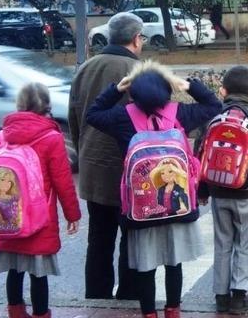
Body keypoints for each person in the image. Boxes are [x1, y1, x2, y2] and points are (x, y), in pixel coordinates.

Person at [86, 60, 221, 318]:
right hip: (177, 206)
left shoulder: (121, 117)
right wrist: (189, 85)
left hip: (141, 208)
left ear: (133, 91)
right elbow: (214, 106)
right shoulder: (180, 113)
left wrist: (116, 89)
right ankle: (173, 310)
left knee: (145, 265)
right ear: (166, 89)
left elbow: (93, 114)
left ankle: (149, 313)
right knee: (173, 262)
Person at [0, 83, 81, 318]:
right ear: (46, 106)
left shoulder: (3, 135)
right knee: (39, 274)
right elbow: (63, 181)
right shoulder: (51, 137)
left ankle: (15, 312)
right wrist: (73, 215)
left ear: (20, 105)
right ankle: (41, 314)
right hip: (40, 219)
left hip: (8, 215)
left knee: (14, 270)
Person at [69, 12, 143, 300]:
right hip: (131, 171)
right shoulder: (139, 70)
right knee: (133, 239)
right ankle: (128, 296)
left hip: (93, 167)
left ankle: (97, 298)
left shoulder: (85, 68)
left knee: (98, 239)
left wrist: (84, 149)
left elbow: (74, 116)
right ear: (136, 39)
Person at [198, 66, 248, 314]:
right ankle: (238, 296)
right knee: (243, 244)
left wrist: (202, 190)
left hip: (218, 190)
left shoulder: (212, 116)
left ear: (223, 90)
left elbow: (199, 154)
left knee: (222, 243)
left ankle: (220, 296)